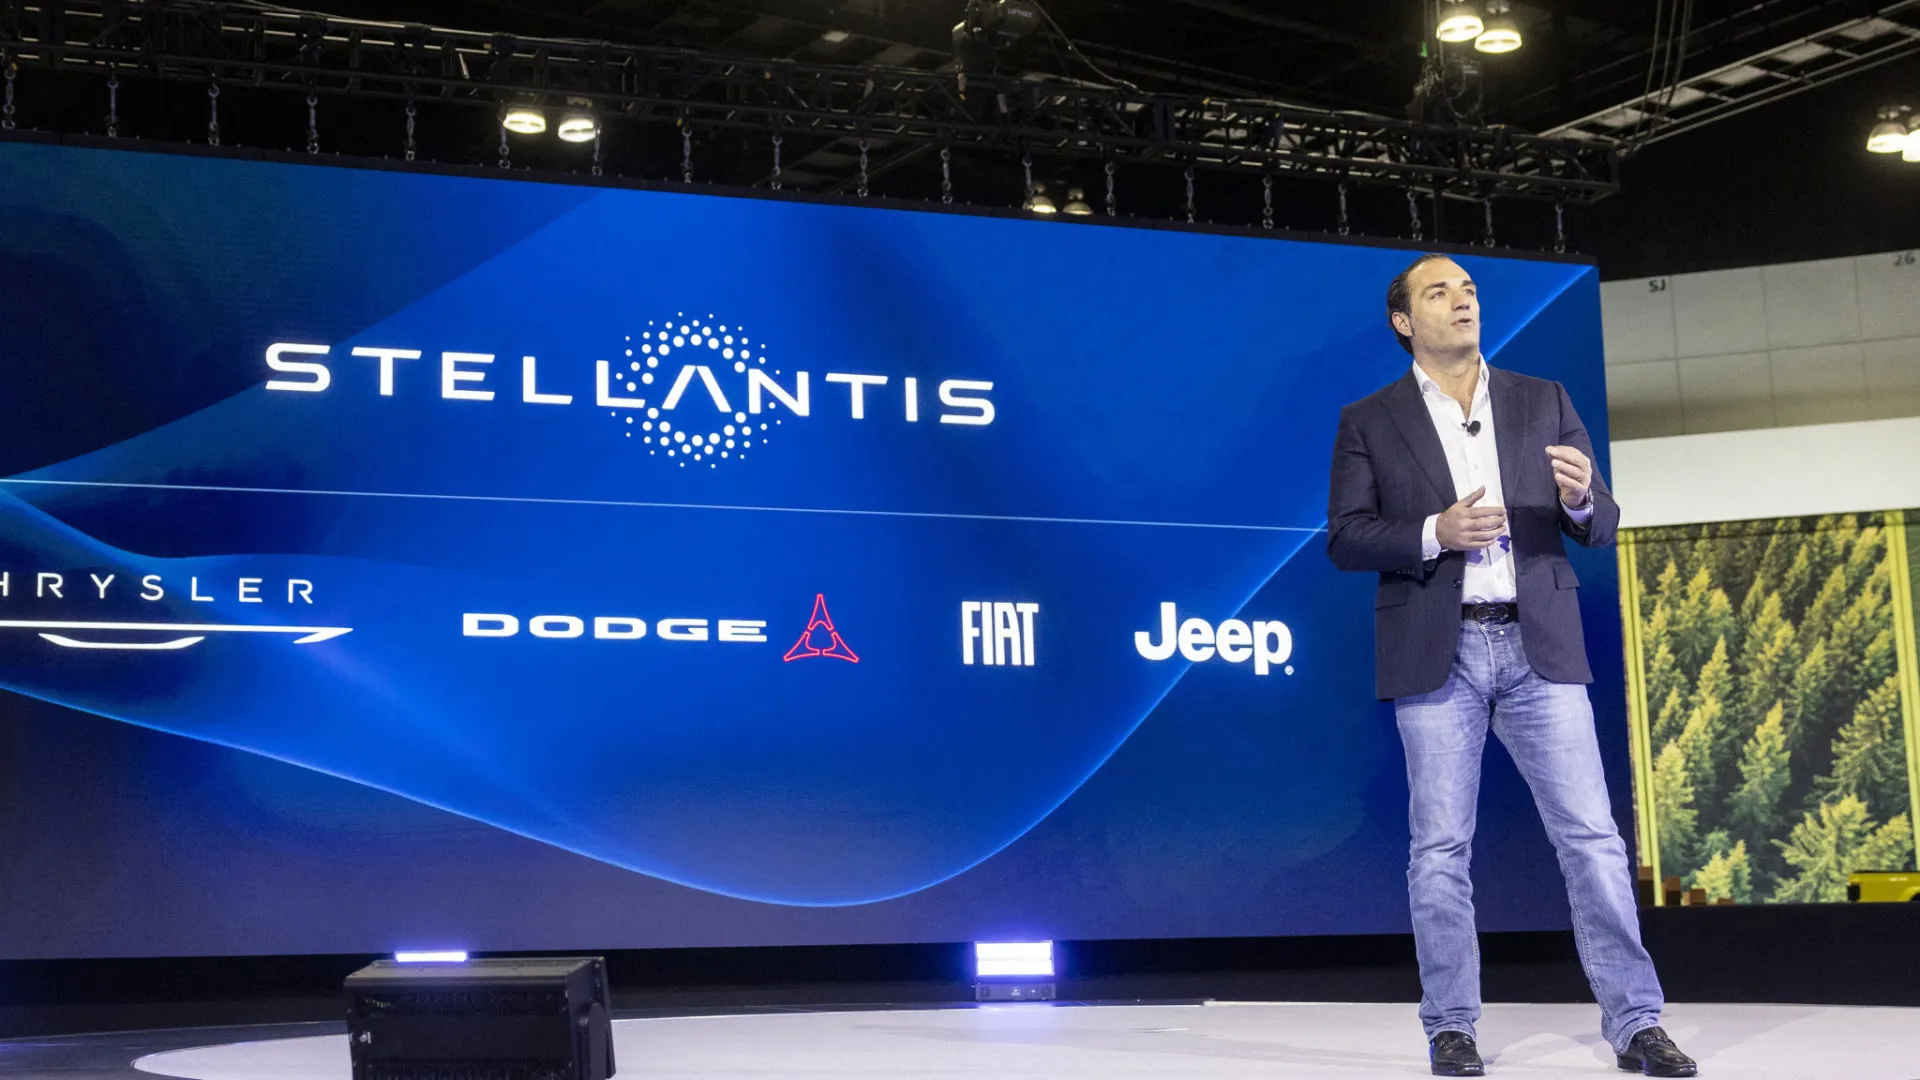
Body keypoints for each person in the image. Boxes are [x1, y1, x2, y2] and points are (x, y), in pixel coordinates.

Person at [1325, 253, 1698, 1078]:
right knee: (1439, 851)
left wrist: (1581, 498)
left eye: (1468, 289)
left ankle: (1637, 1022)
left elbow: (1601, 522)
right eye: (1439, 292)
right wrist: (1436, 532)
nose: (1462, 301)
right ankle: (1451, 1028)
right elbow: (1346, 537)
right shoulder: (1370, 420)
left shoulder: (1543, 399)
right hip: (1440, 648)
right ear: (1403, 322)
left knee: (1593, 841)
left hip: (1540, 646)